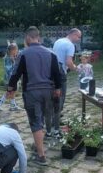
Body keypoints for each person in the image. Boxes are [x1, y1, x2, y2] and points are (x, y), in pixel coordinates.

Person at [6, 26, 62, 164]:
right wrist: (58, 89)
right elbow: (57, 73)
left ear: (28, 37)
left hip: (32, 92)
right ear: (38, 37)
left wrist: (10, 88)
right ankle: (38, 145)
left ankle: (41, 156)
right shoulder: (51, 53)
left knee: (36, 122)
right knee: (41, 118)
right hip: (48, 92)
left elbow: (15, 73)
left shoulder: (23, 54)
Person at [51, 29, 82, 127]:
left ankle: (53, 116)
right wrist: (75, 68)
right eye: (78, 37)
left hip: (52, 71)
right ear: (73, 34)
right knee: (61, 96)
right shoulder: (70, 45)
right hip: (61, 73)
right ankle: (55, 122)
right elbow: (69, 62)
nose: (79, 39)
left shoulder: (58, 41)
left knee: (54, 95)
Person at [0, 43, 20, 110]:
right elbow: (8, 69)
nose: (17, 51)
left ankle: (13, 105)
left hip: (14, 77)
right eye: (16, 50)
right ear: (12, 50)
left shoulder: (13, 57)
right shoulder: (7, 58)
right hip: (10, 78)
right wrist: (14, 61)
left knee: (13, 91)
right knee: (9, 91)